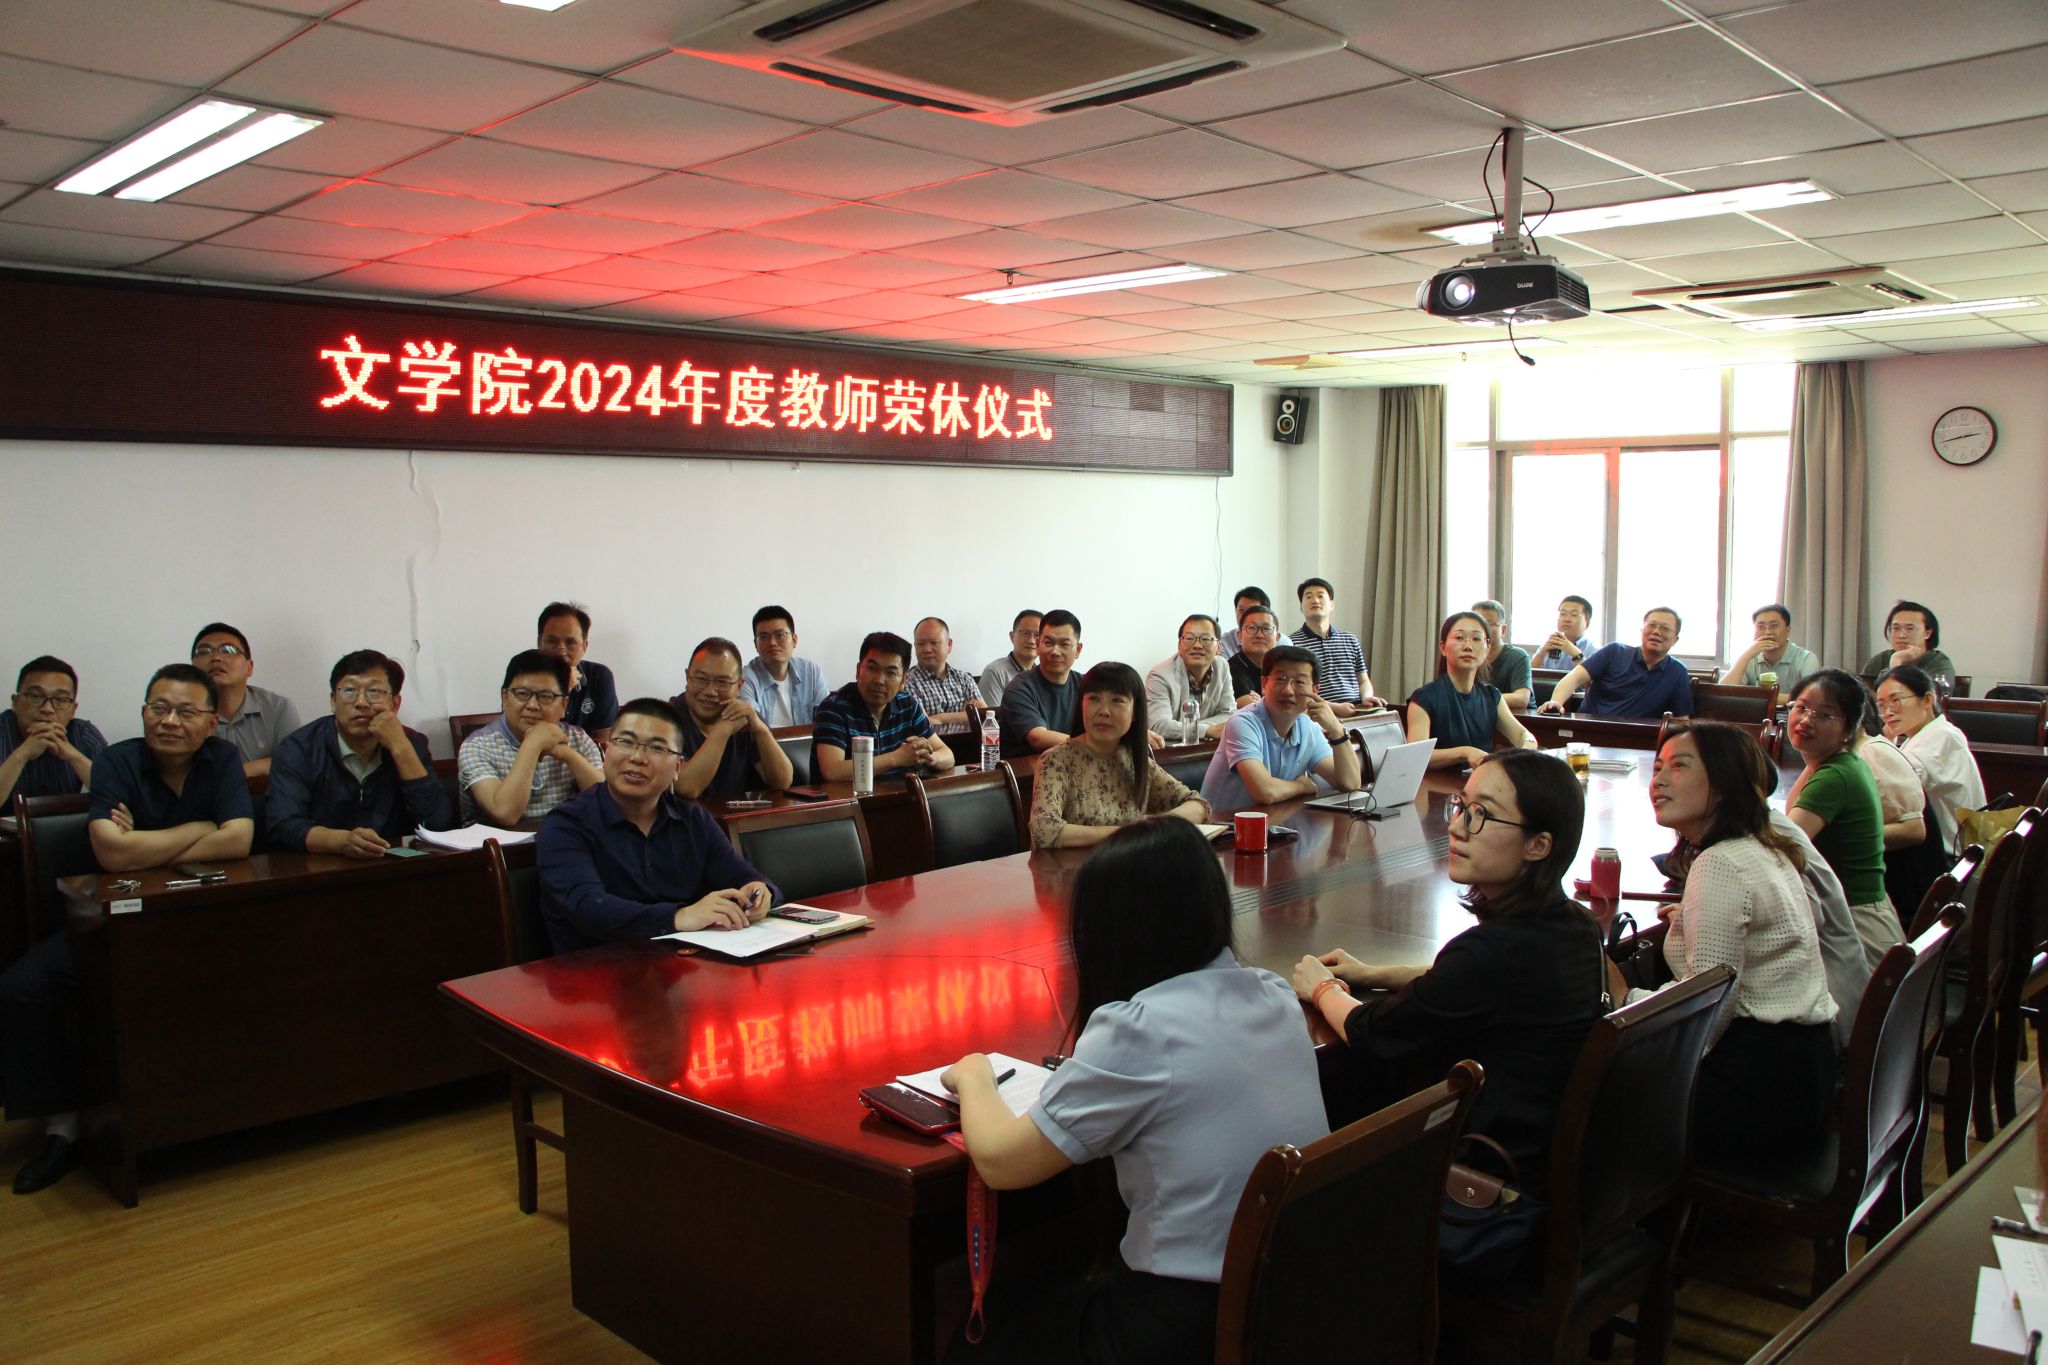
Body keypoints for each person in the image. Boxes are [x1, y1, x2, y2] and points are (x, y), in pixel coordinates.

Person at [939, 818, 1327, 1363]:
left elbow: (1002, 1162)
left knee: (976, 1336)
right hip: (1292, 1299)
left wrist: (974, 1074)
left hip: (1187, 1326)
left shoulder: (1140, 1030)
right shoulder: (1274, 994)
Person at [1293, 749, 1606, 1277]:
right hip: (1556, 1175)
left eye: (1482, 814)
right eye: (1462, 806)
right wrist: (1374, 973)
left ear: (1539, 844)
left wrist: (1320, 987)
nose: (1457, 826)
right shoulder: (1573, 925)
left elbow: (1373, 1033)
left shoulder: (1492, 954)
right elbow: (1463, 982)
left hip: (1487, 1192)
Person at [2, 663, 253, 1195]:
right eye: (158, 708)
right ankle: (63, 1125)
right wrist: (198, 827)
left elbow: (239, 841)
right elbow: (112, 853)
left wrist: (147, 843)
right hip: (115, 923)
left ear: (211, 722)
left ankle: (213, 1107)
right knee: (22, 987)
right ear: (143, 713)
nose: (169, 721)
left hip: (198, 921)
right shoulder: (117, 760)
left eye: (185, 711)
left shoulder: (224, 759)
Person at [1633, 721, 1837, 1163]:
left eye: (1679, 766)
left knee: (1588, 1088)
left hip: (1761, 1092)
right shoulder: (1762, 844)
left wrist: (1626, 998)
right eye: (1658, 767)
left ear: (1724, 784)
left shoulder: (1720, 864)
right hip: (1804, 1073)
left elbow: (1707, 1011)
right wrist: (1693, 918)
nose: (1659, 780)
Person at [536, 697, 776, 954]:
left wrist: (760, 892)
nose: (637, 757)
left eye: (657, 748)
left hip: (683, 965)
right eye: (625, 742)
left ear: (677, 767)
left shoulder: (695, 822)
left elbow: (746, 877)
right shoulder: (566, 824)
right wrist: (679, 917)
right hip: (595, 968)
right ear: (607, 751)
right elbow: (587, 908)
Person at [266, 649, 452, 857]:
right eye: (349, 691)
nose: (361, 702)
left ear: (394, 704)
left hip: (395, 865)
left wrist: (401, 749)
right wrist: (340, 841)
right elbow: (283, 824)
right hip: (323, 866)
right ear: (333, 701)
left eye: (374, 692)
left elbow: (438, 824)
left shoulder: (412, 744)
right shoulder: (299, 748)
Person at [1784, 670, 1899, 971]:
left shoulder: (1835, 776)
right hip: (1851, 914)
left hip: (1857, 930)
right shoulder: (1835, 763)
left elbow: (1781, 848)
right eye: (1801, 707)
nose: (1806, 720)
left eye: (1825, 715)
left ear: (1849, 729)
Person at [1030, 663, 1211, 848]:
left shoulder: (1134, 760)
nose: (1103, 711)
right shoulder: (1056, 761)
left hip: (1127, 863)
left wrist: (1156, 825)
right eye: (1094, 699)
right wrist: (1128, 833)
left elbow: (1198, 805)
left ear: (1135, 713)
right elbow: (1044, 831)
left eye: (1117, 700)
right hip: (1075, 866)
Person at [1200, 645, 1362, 811]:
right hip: (1224, 824)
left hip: (1275, 821)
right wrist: (1301, 786)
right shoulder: (1242, 723)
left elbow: (1350, 784)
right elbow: (1265, 792)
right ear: (1264, 684)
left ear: (1314, 691)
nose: (1288, 690)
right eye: (1280, 679)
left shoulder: (1307, 728)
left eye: (1299, 682)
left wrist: (1336, 730)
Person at [457, 649, 604, 826]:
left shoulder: (579, 739)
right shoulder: (477, 747)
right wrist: (533, 744)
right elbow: (504, 814)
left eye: (546, 696)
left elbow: (608, 803)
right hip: (499, 843)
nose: (532, 705)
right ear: (505, 698)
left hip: (567, 839)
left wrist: (567, 754)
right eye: (522, 694)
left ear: (564, 705)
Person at [1875, 663, 1987, 858]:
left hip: (1946, 859)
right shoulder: (1926, 735)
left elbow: (1893, 785)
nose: (1887, 712)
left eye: (1896, 701)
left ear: (1927, 700)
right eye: (1881, 705)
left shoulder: (1941, 738)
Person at [668, 636, 794, 800]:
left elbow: (782, 782)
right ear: (687, 677)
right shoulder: (666, 720)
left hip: (735, 815)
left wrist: (760, 729)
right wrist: (722, 731)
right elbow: (686, 788)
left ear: (739, 686)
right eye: (701, 679)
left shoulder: (744, 716)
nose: (710, 691)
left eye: (722, 683)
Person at [1407, 611, 1538, 770]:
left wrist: (1528, 743)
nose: (1468, 646)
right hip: (1437, 784)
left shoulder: (1492, 696)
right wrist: (1465, 752)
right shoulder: (1423, 699)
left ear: (1487, 648)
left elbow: (1522, 735)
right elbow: (1416, 755)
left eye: (1476, 639)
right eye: (1459, 638)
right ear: (1443, 647)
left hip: (1481, 782)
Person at [813, 632, 951, 780]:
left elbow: (948, 756)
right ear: (858, 671)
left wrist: (930, 757)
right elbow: (832, 771)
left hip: (898, 793)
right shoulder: (834, 708)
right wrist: (897, 758)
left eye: (890, 673)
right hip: (850, 795)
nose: (879, 680)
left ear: (903, 680)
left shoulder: (907, 705)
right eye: (872, 668)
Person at [1536, 607, 1693, 719]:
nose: (1656, 632)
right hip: (1589, 728)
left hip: (1639, 741)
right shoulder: (1615, 652)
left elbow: (1681, 719)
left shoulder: (1677, 671)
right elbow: (1574, 678)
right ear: (1642, 631)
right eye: (1651, 625)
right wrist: (1555, 702)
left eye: (1665, 628)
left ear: (1675, 639)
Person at [190, 623, 301, 779]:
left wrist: (243, 770)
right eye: (204, 651)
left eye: (228, 650)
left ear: (249, 667)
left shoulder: (278, 708)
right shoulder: (182, 713)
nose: (215, 657)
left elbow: (297, 764)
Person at [0, 656, 105, 808]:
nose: (47, 709)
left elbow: (117, 797)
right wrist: (21, 755)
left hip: (64, 823)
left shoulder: (84, 734)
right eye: (35, 696)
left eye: (60, 699)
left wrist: (73, 756)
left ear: (73, 710)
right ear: (15, 702)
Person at [997, 609, 1084, 759]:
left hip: (1075, 764)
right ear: (1038, 645)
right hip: (1026, 771)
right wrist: (1093, 745)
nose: (1055, 651)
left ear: (1078, 650)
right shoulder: (1019, 688)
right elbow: (1037, 737)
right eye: (1048, 643)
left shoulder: (1086, 686)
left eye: (1064, 645)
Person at [1289, 577, 1379, 715]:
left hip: (1357, 708)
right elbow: (1297, 690)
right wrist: (1334, 707)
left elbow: (1363, 680)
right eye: (1308, 596)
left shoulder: (1350, 640)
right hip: (1318, 712)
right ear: (1301, 607)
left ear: (1332, 605)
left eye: (1320, 596)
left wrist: (1367, 698)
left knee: (1386, 719)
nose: (1315, 600)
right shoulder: (1292, 644)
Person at [1144, 614, 1235, 743]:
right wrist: (1207, 730)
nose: (1197, 645)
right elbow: (1159, 726)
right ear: (1179, 646)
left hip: (1206, 748)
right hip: (1172, 751)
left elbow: (1229, 715)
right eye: (1189, 638)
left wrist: (1191, 728)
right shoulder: (1160, 675)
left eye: (1205, 639)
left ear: (1219, 647)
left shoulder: (1222, 666)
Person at [739, 604, 830, 728]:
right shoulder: (746, 678)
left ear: (794, 640)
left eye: (780, 635)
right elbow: (753, 726)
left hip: (809, 741)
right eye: (763, 637)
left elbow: (828, 718)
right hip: (764, 741)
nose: (772, 642)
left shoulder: (811, 672)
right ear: (756, 644)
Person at [539, 602, 617, 744]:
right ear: (540, 643)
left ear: (584, 646)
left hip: (587, 757)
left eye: (570, 643)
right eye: (552, 641)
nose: (561, 650)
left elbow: (604, 743)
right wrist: (563, 689)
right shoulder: (523, 676)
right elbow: (525, 736)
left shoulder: (600, 676)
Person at [904, 617, 983, 726]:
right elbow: (922, 723)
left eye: (934, 642)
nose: (927, 649)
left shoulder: (964, 679)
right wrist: (967, 715)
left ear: (949, 645)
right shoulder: (907, 681)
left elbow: (984, 714)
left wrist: (940, 718)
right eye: (921, 644)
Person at [1860, 600, 1955, 690]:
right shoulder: (1879, 660)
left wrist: (1896, 664)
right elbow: (1862, 695)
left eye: (1909, 629)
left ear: (1927, 633)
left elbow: (1931, 696)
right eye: (1896, 628)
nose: (1901, 635)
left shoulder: (1938, 663)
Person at [1726, 603, 1818, 695]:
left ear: (1788, 630)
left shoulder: (1806, 659)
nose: (1767, 632)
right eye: (1761, 627)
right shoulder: (1749, 657)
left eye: (1774, 626)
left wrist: (1758, 697)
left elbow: (1810, 697)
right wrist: (1745, 657)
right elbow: (1724, 692)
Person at [1471, 598, 1531, 711]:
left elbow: (1522, 699)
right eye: (1477, 624)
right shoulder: (1467, 654)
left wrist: (1477, 699)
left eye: (1488, 624)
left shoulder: (1518, 656)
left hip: (1518, 717)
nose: (1482, 629)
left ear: (1503, 630)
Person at [978, 610, 1041, 708]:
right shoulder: (995, 672)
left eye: (1037, 635)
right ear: (1012, 636)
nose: (1031, 641)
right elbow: (992, 716)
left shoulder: (1043, 673)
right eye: (1025, 633)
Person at [1227, 605, 1281, 705]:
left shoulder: (1283, 667)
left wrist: (1262, 702)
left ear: (1277, 637)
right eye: (1252, 628)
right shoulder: (1230, 669)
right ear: (1239, 636)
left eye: (1267, 628)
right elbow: (1249, 707)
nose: (1259, 635)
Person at [1533, 595, 1596, 671]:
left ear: (1587, 623)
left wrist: (1576, 654)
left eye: (1574, 615)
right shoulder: (1550, 645)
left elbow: (1594, 676)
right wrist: (1541, 653)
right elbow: (1528, 674)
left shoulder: (1594, 650)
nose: (1566, 619)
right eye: (1563, 614)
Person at [1217, 586, 1270, 658]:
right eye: (1241, 610)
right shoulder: (1223, 642)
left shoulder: (1281, 642)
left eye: (1252, 610)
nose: (1245, 615)